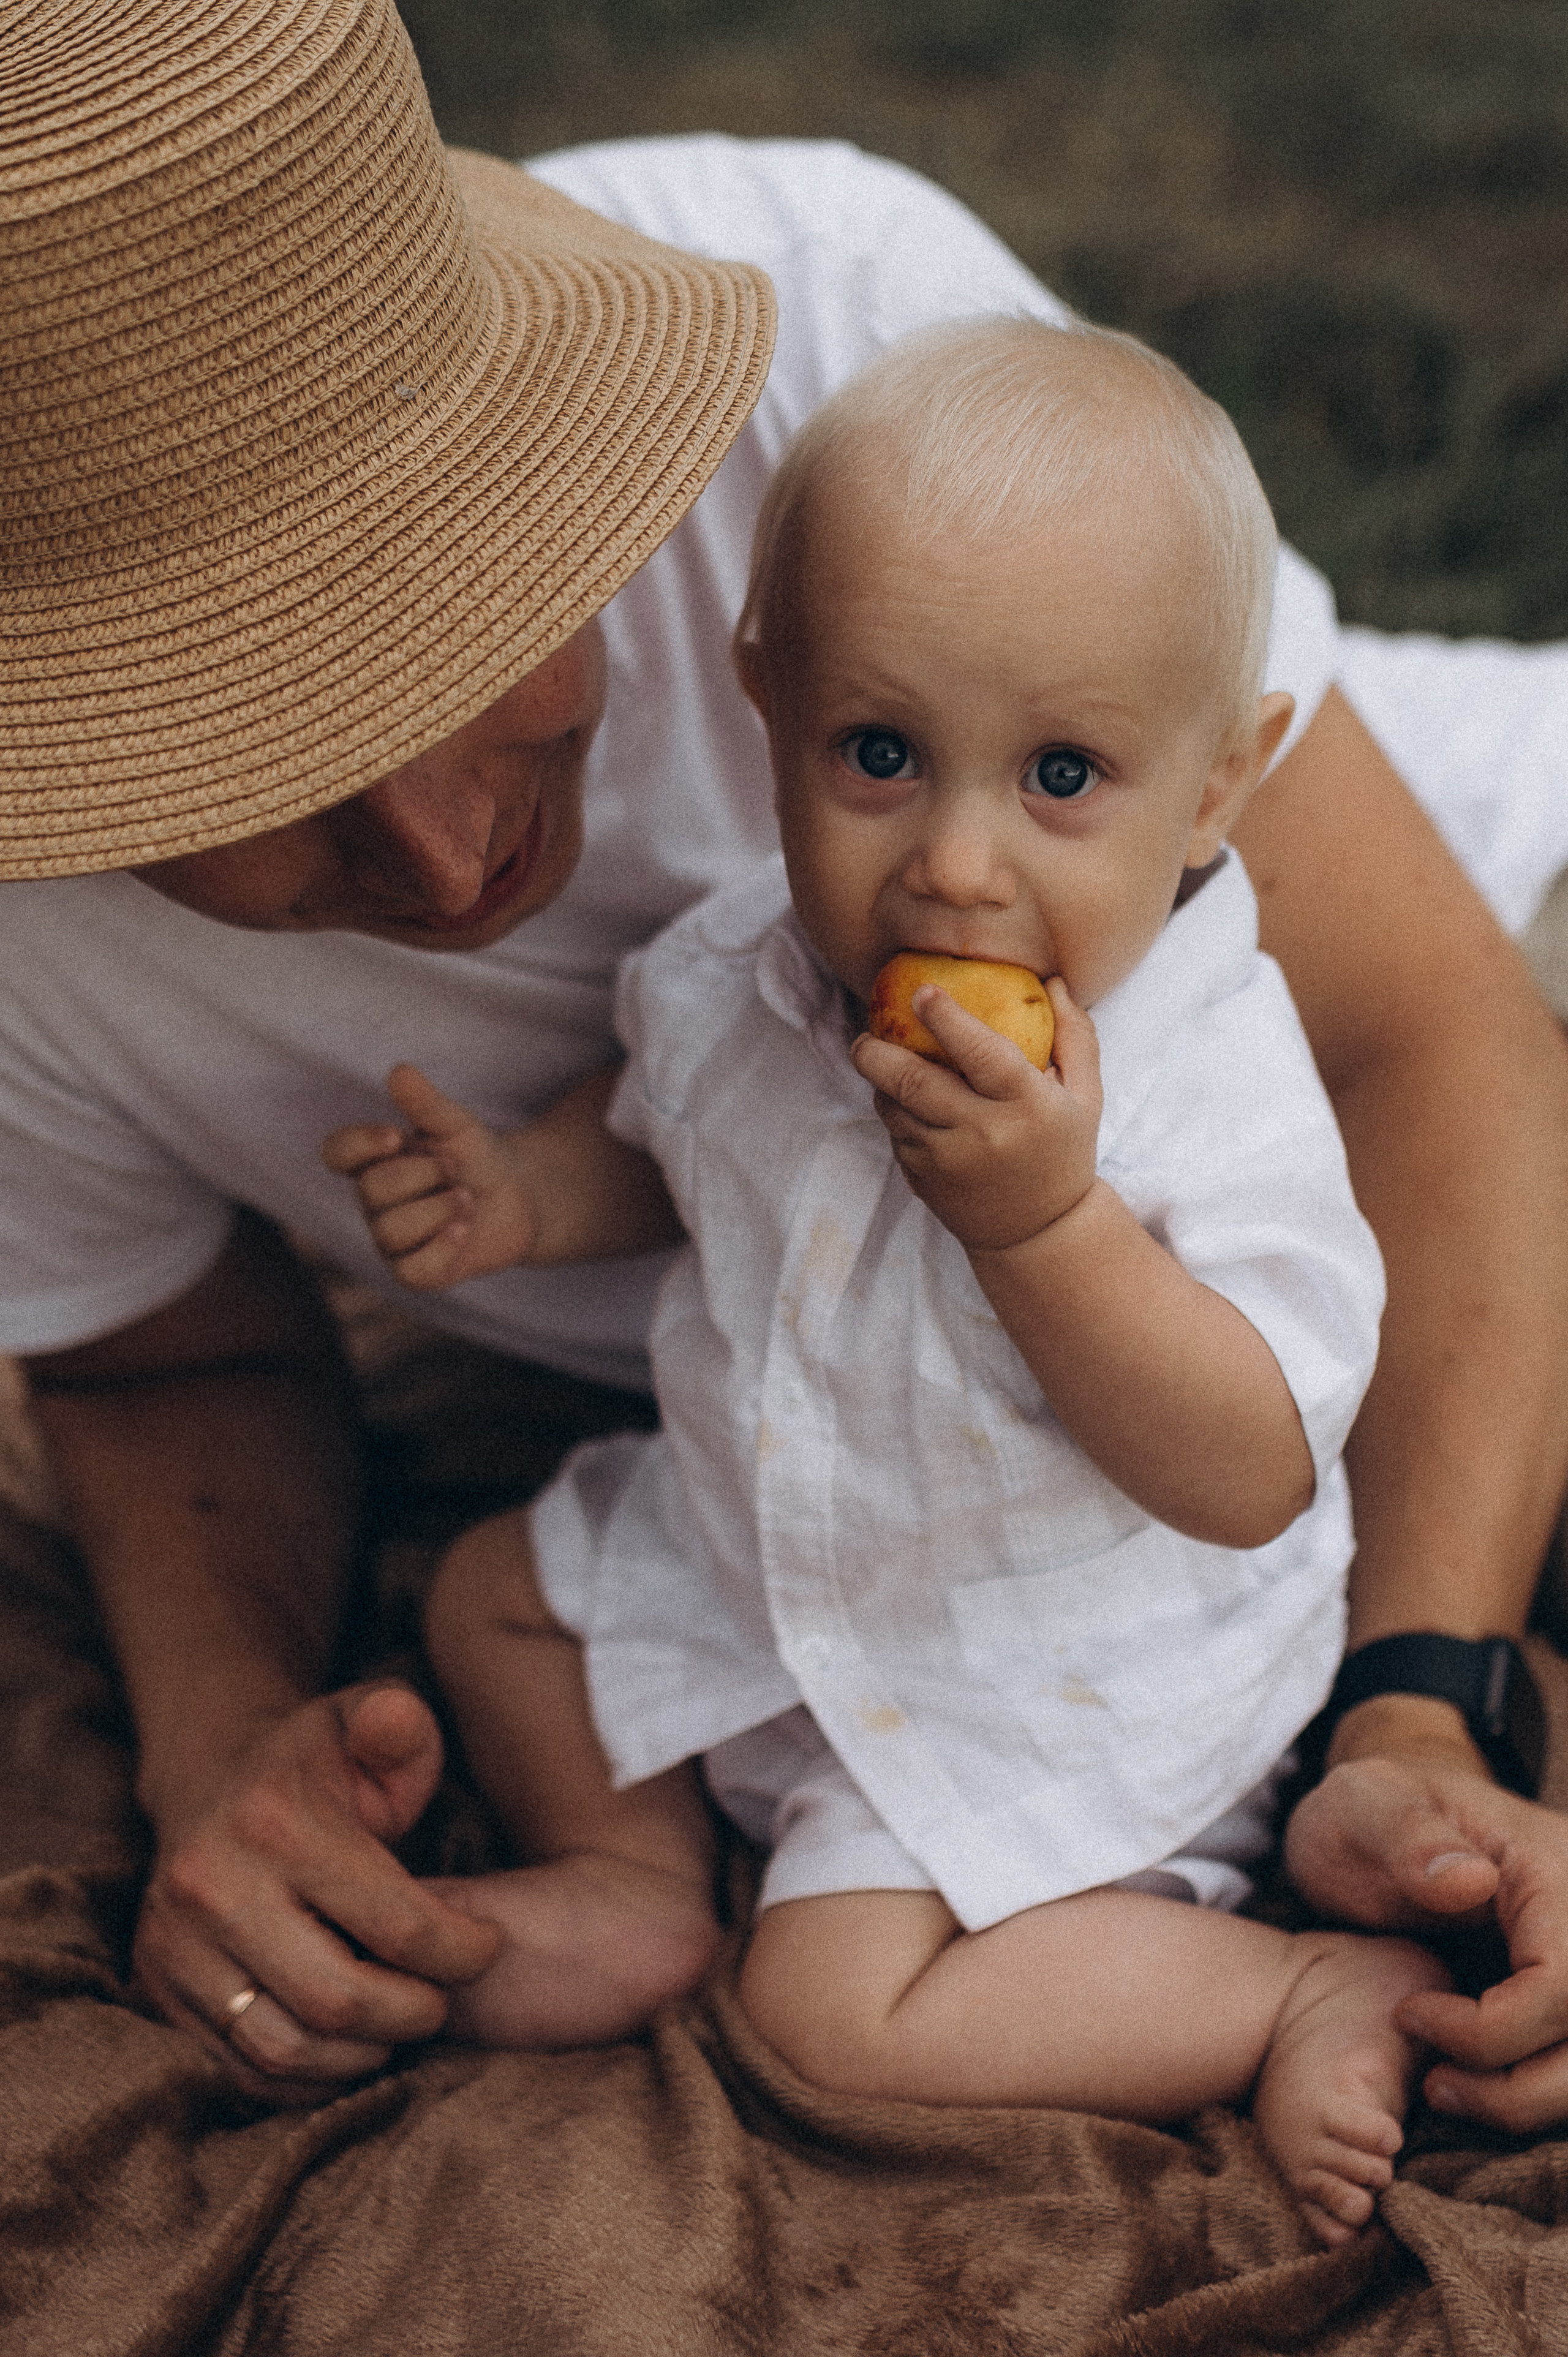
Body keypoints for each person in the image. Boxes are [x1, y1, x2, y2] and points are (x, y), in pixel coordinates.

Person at [6, 0, 1568, 2127]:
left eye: (467, 640)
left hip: (1502, 958)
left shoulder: (837, 352)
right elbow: (155, 1358)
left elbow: (1427, 1043)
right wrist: (224, 1745)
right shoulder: (735, 973)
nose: (453, 853)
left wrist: (1416, 1707)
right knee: (515, 1591)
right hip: (871, 1473)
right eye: (266, 767)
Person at [327, 317, 1456, 2248]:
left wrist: (1046, 1230)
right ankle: (624, 1871)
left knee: (834, 2016)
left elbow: (1251, 1463)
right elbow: (672, 1127)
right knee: (494, 1590)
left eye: (1064, 776)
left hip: (1046, 1663)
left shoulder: (1206, 1086)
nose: (953, 864)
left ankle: (1286, 1990)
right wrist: (525, 1190)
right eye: (879, 753)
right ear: (769, 705)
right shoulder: (744, 966)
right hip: (766, 1549)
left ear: (1216, 789)